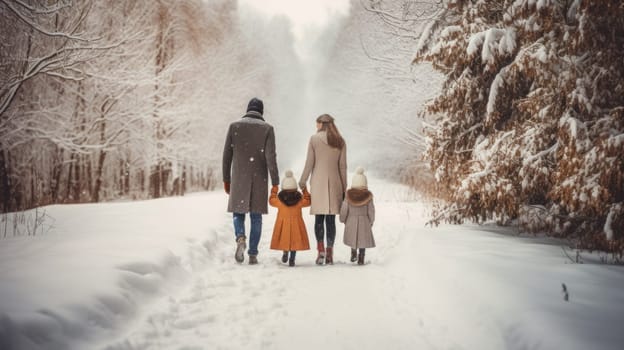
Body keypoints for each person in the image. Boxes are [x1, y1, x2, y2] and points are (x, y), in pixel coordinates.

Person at [222, 97, 279, 265]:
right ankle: (253, 253)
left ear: (248, 109)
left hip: (239, 177)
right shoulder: (267, 129)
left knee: (238, 213)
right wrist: (275, 182)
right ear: (261, 112)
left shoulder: (234, 127)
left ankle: (240, 237)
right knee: (256, 217)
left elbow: (226, 156)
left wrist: (227, 179)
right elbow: (271, 157)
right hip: (259, 179)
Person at [299, 114, 347, 265]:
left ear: (321, 124)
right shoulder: (340, 141)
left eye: (317, 123)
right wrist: (344, 187)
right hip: (335, 183)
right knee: (331, 220)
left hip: (318, 184)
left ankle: (320, 250)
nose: (316, 126)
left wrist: (302, 181)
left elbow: (309, 163)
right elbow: (342, 166)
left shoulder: (314, 140)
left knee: (319, 219)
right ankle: (330, 252)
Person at [269, 170, 311, 267]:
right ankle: (292, 259)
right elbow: (308, 201)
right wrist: (304, 190)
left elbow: (271, 201)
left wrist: (274, 189)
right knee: (294, 241)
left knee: (285, 239)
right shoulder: (299, 199)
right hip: (296, 224)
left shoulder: (279, 200)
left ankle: (285, 253)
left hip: (283, 224)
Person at [340, 167, 375, 265]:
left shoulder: (348, 196)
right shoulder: (368, 197)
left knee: (353, 237)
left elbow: (344, 209)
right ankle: (361, 256)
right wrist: (371, 221)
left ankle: (353, 252)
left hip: (351, 220)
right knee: (362, 240)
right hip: (364, 221)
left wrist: (343, 219)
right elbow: (371, 210)